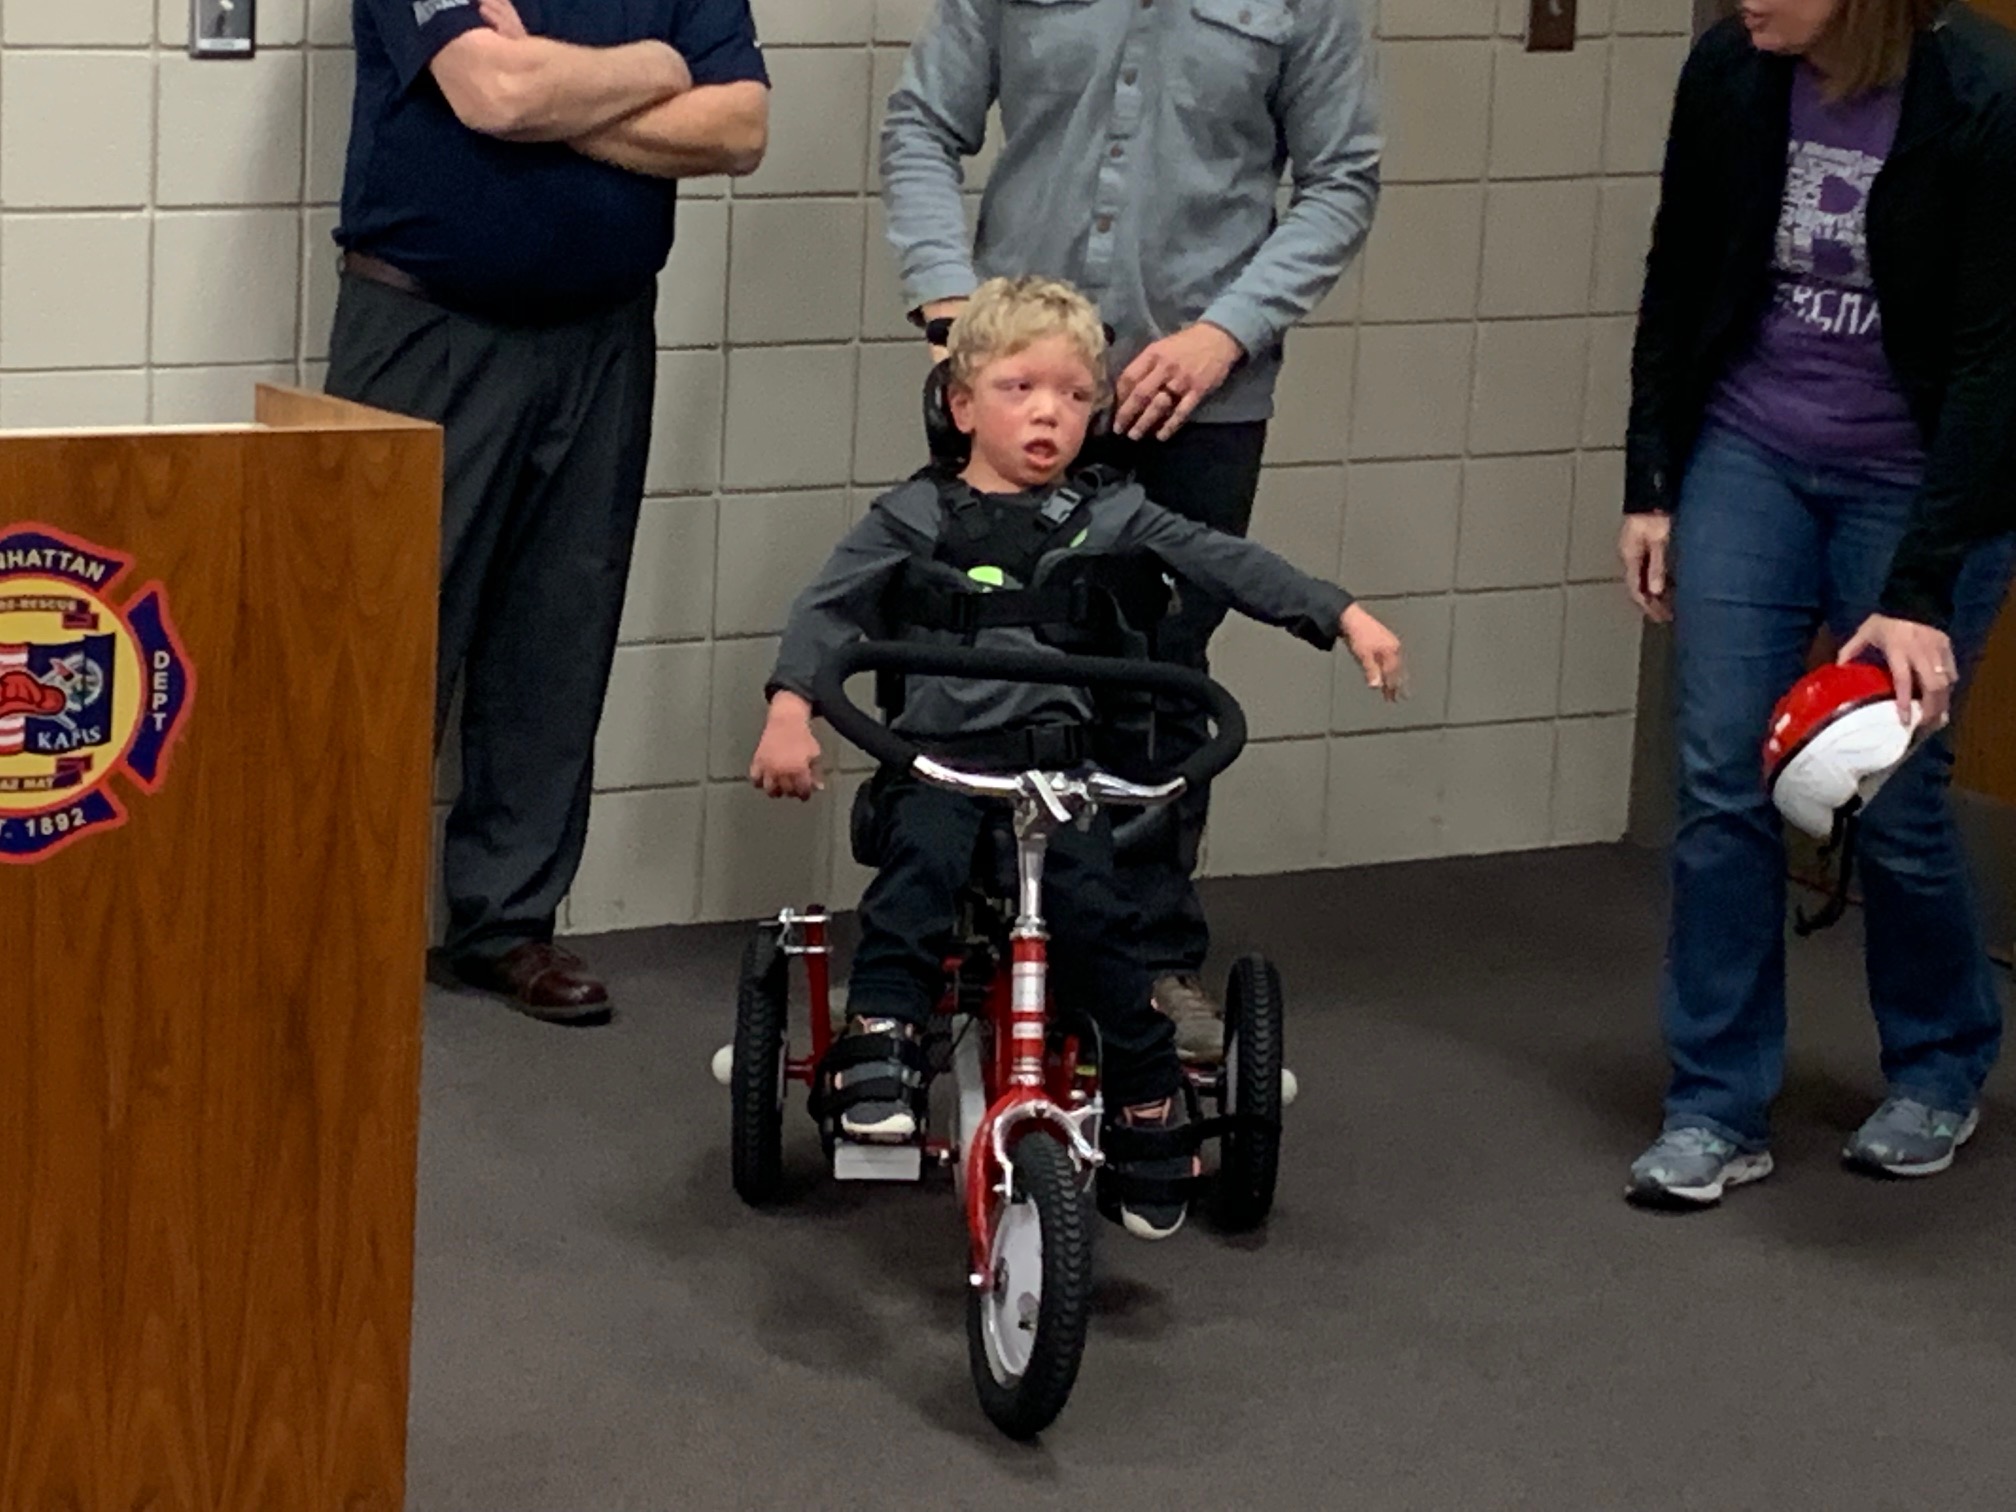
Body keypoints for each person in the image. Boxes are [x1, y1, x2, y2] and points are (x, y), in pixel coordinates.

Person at [748, 276, 1404, 1239]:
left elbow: (1232, 563)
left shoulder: (1117, 515)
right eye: (1018, 389)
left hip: (1058, 775)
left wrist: (1339, 613)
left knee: (1100, 919)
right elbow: (824, 612)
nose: (1047, 412)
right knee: (916, 878)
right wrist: (790, 709)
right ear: (962, 404)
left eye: (1071, 394)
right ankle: (884, 1034)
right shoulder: (911, 518)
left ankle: (1143, 1096)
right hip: (938, 762)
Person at [879, 0, 1381, 1063]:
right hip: (1023, 390)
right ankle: (956, 944)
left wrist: (1224, 334)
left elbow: (1340, 183)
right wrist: (947, 307)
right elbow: (922, 123)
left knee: (1159, 682)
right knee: (982, 645)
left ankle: (1146, 963)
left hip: (1197, 400)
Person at [1620, 0, 2016, 1205]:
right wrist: (1651, 480)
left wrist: (1917, 592)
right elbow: (1680, 267)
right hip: (1753, 447)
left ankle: (1943, 1062)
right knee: (1722, 772)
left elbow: (2001, 360)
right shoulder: (1734, 72)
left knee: (1891, 795)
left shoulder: (1982, 95)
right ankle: (1716, 1102)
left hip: (1923, 475)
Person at [325, 0, 769, 1024]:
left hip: (601, 333)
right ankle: (337, 927)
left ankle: (507, 922)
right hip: (424, 320)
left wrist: (549, 96)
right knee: (378, 639)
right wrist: (657, 67)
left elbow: (739, 128)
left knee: (557, 638)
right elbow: (494, 91)